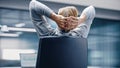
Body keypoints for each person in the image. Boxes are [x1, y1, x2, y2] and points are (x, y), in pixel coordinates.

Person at [29, 0, 95, 38]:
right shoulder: (80, 33)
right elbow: (91, 9)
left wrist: (54, 17)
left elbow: (33, 5)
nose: (67, 22)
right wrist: (80, 20)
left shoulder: (47, 34)